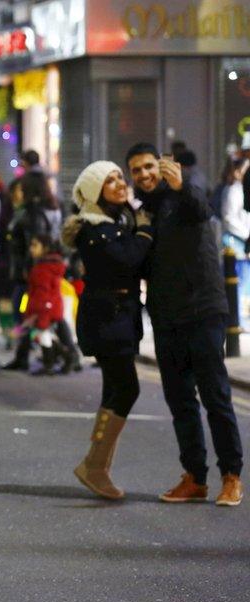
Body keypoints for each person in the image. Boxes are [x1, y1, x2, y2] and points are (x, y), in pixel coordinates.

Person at [127, 142, 244, 506]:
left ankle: (231, 476)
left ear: (164, 166)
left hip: (203, 311)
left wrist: (181, 186)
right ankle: (194, 477)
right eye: (136, 170)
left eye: (149, 166)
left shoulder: (186, 195)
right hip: (166, 317)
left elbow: (203, 208)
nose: (144, 175)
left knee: (216, 397)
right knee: (180, 402)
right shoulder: (143, 212)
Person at [62, 161, 153, 499]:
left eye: (118, 177)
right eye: (108, 180)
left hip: (118, 315)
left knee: (114, 390)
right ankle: (95, 465)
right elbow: (128, 260)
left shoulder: (116, 222)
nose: (119, 183)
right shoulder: (94, 229)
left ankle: (98, 467)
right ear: (93, 193)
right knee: (127, 388)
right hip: (106, 318)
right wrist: (144, 232)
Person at [1, 172, 64, 371]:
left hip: (31, 273)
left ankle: (53, 354)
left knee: (30, 313)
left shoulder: (34, 212)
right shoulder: (51, 208)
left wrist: (29, 271)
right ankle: (50, 354)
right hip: (41, 270)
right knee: (46, 314)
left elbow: (33, 244)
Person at [17, 235, 77, 376]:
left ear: (45, 248)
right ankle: (65, 357)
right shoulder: (50, 265)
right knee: (45, 334)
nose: (31, 249)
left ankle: (50, 363)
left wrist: (36, 312)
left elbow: (42, 293)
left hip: (43, 308)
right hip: (51, 306)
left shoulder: (42, 268)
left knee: (43, 333)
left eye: (35, 245)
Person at [215, 158, 250, 325]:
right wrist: (246, 234)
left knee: (243, 281)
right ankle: (238, 320)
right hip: (235, 242)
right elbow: (229, 218)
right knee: (238, 282)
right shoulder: (234, 190)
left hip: (241, 240)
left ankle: (240, 319)